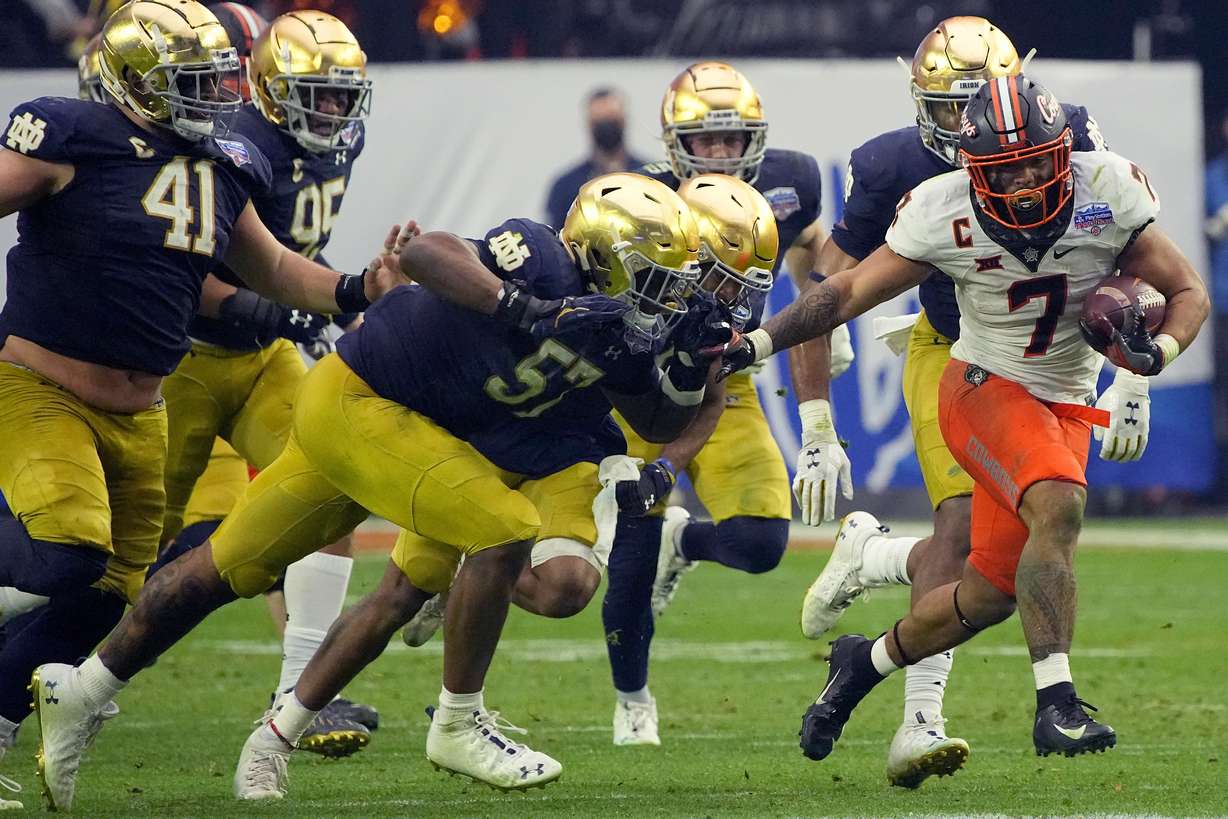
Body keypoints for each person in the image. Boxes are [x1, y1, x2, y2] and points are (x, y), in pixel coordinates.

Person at [30, 174, 724, 804]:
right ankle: (457, 723)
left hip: (412, 430)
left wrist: (689, 363)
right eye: (653, 279)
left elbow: (656, 418)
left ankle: (84, 688)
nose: (662, 300)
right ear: (604, 257)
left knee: (222, 569)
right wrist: (529, 309)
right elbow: (424, 256)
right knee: (504, 525)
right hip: (363, 399)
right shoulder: (541, 256)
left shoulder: (619, 330)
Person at [717, 75, 1209, 764]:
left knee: (987, 594)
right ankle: (1057, 705)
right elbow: (845, 291)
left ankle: (862, 664)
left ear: (1064, 150)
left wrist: (1152, 356)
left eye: (1039, 160)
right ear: (971, 169)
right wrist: (759, 342)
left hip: (1065, 399)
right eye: (1006, 169)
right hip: (983, 384)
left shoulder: (1108, 190)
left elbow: (1187, 291)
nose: (1027, 180)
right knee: (1058, 504)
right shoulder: (943, 211)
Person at [0, 0, 400, 808]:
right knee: (71, 553)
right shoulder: (70, 132)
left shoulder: (227, 160)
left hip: (142, 408)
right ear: (134, 81)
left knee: (112, 593)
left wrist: (358, 289)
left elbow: (278, 267)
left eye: (219, 76)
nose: (216, 93)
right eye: (194, 80)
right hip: (43, 387)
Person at [791, 16, 1146, 788]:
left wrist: (1137, 371)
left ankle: (873, 564)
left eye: (980, 101)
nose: (968, 125)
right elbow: (829, 289)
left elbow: (1138, 261)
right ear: (920, 103)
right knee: (962, 523)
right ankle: (921, 725)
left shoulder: (1071, 138)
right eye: (947, 107)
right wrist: (817, 421)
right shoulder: (893, 167)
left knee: (991, 575)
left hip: (1055, 368)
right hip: (956, 352)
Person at [150, 6, 379, 755]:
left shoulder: (339, 141)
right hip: (181, 355)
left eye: (346, 94)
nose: (337, 110)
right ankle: (60, 668)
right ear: (275, 89)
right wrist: (276, 309)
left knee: (331, 481)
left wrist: (320, 305)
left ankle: (301, 686)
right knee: (127, 545)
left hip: (262, 354)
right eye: (321, 93)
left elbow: (294, 251)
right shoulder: (237, 148)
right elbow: (188, 270)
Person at [599, 61, 847, 747]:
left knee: (762, 540)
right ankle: (632, 698)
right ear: (676, 143)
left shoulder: (790, 183)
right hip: (640, 386)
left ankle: (687, 540)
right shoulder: (641, 197)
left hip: (724, 384)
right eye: (705, 142)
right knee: (628, 552)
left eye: (732, 139)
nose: (720, 154)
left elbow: (811, 248)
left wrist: (822, 308)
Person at [544, 87, 646, 229]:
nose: (607, 126)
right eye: (600, 121)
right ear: (589, 124)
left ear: (624, 120)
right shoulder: (565, 186)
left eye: (612, 118)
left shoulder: (649, 177)